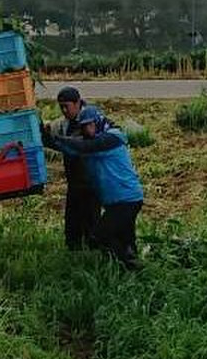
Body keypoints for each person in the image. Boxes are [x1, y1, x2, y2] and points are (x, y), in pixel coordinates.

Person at [46, 104, 144, 268]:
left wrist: (54, 138)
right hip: (116, 201)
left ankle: (130, 264)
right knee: (124, 239)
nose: (88, 130)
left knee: (99, 236)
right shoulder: (94, 141)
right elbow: (73, 147)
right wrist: (46, 138)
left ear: (97, 122)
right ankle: (127, 268)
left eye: (90, 125)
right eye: (84, 126)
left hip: (126, 199)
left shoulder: (110, 139)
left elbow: (81, 147)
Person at [48, 86, 110, 250]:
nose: (64, 110)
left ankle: (94, 253)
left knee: (91, 222)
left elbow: (79, 144)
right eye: (61, 107)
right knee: (72, 224)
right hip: (74, 181)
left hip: (91, 181)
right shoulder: (65, 123)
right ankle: (74, 253)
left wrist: (57, 141)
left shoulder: (89, 121)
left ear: (77, 103)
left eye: (66, 106)